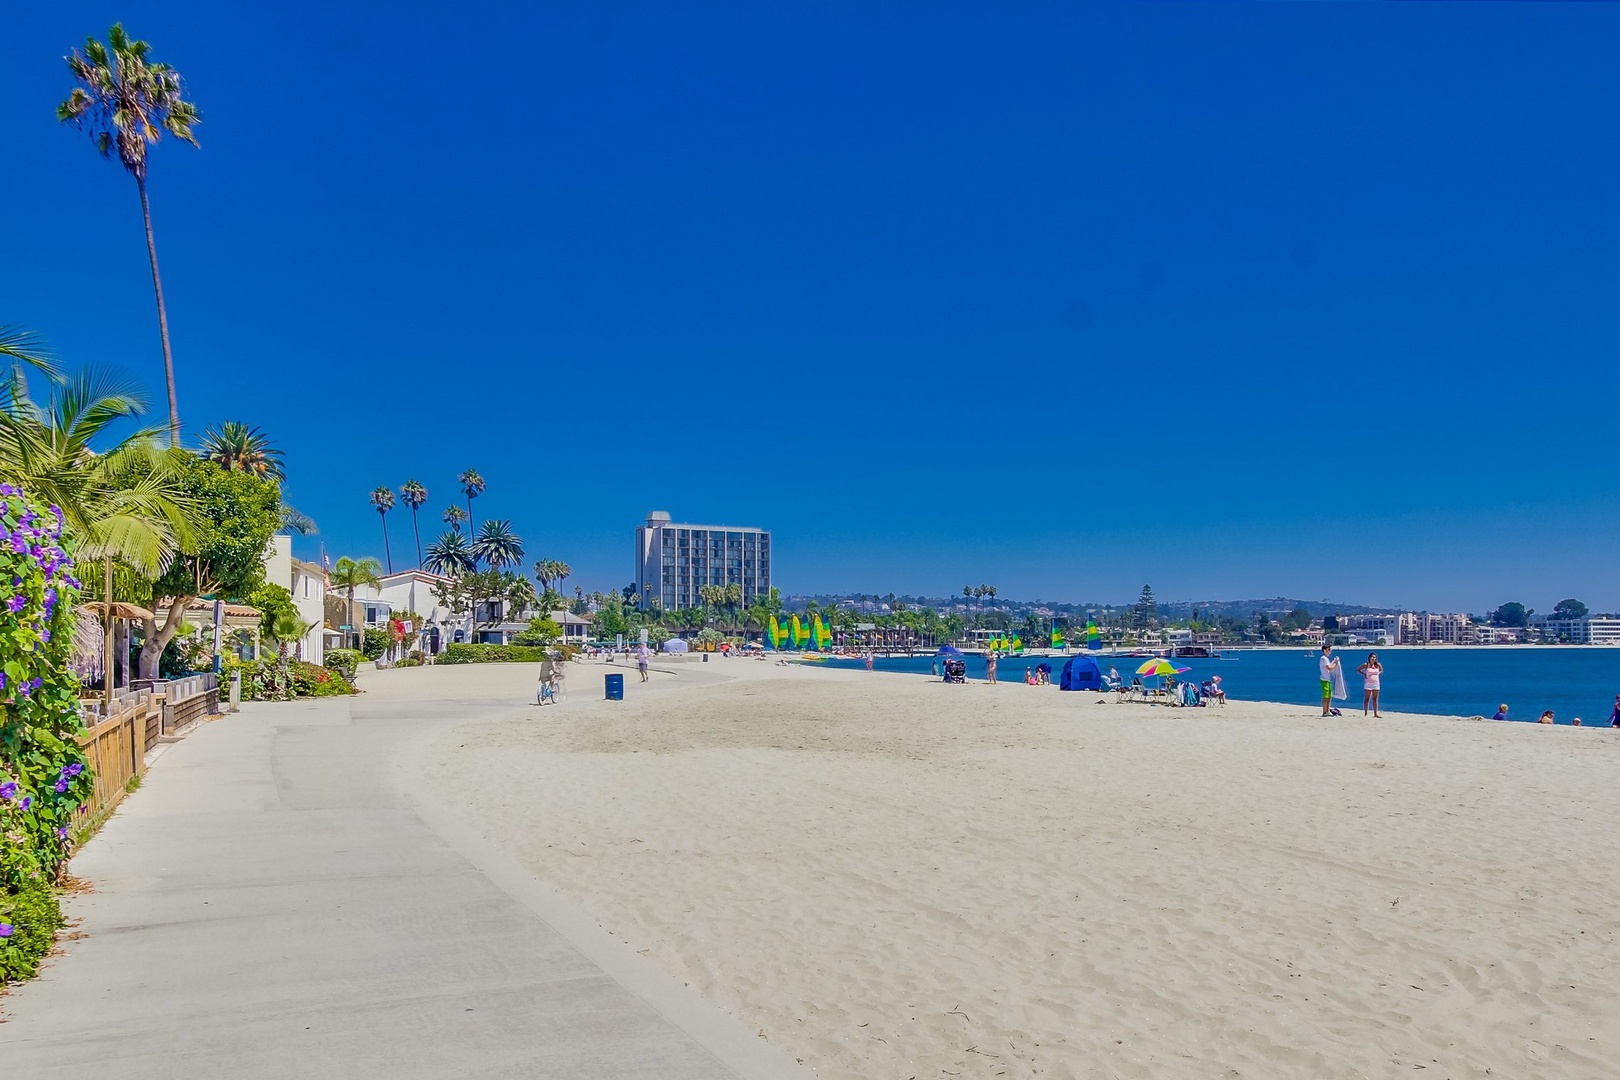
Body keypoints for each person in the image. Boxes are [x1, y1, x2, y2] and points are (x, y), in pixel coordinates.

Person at [1318, 644, 1343, 716]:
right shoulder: (1323, 658)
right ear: (1325, 650)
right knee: (1325, 696)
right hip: (1324, 679)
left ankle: (1328, 710)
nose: (1330, 652)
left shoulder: (1326, 659)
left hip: (1328, 680)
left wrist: (1335, 662)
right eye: (1329, 650)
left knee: (1329, 696)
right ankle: (1324, 711)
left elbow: (1330, 668)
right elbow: (1330, 668)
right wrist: (1335, 663)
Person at [1357, 653, 1384, 717]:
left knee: (1375, 699)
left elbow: (1381, 670)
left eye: (1374, 657)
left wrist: (1378, 674)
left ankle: (1375, 714)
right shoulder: (1366, 665)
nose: (1373, 658)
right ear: (1369, 658)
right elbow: (1358, 669)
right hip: (1368, 683)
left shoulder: (1378, 665)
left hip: (1376, 683)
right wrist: (1364, 673)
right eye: (1372, 657)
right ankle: (1366, 713)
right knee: (1367, 699)